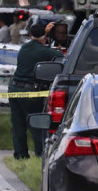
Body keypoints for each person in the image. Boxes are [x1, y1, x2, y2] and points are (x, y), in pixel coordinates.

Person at [8, 22, 63, 159]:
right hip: (31, 92)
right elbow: (59, 56)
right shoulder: (45, 51)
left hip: (14, 89)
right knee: (37, 122)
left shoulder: (24, 48)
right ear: (44, 35)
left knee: (18, 124)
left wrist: (45, 34)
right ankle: (40, 153)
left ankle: (20, 154)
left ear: (30, 35)